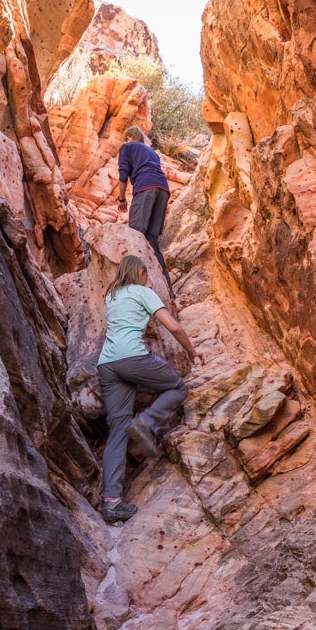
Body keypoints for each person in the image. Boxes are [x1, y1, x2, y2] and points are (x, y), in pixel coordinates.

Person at [97, 254, 204, 525]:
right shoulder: (143, 291)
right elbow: (173, 325)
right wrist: (191, 352)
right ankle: (145, 423)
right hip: (133, 358)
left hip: (107, 365)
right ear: (141, 273)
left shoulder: (111, 296)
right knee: (176, 388)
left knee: (118, 430)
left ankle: (112, 503)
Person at [118, 126, 172, 288]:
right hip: (163, 189)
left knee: (135, 232)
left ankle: (132, 283)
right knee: (151, 237)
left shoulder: (127, 146)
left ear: (128, 137)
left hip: (145, 187)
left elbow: (123, 174)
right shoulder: (151, 152)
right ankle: (166, 286)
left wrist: (121, 199)